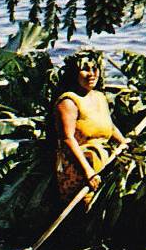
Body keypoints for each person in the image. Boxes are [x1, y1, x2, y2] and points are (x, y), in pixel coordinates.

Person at [51, 49, 127, 207]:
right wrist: (88, 172)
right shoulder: (68, 102)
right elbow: (67, 139)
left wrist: (124, 143)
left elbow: (109, 126)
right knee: (89, 207)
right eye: (85, 69)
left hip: (104, 160)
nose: (91, 74)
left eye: (94, 69)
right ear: (75, 73)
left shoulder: (99, 96)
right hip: (79, 166)